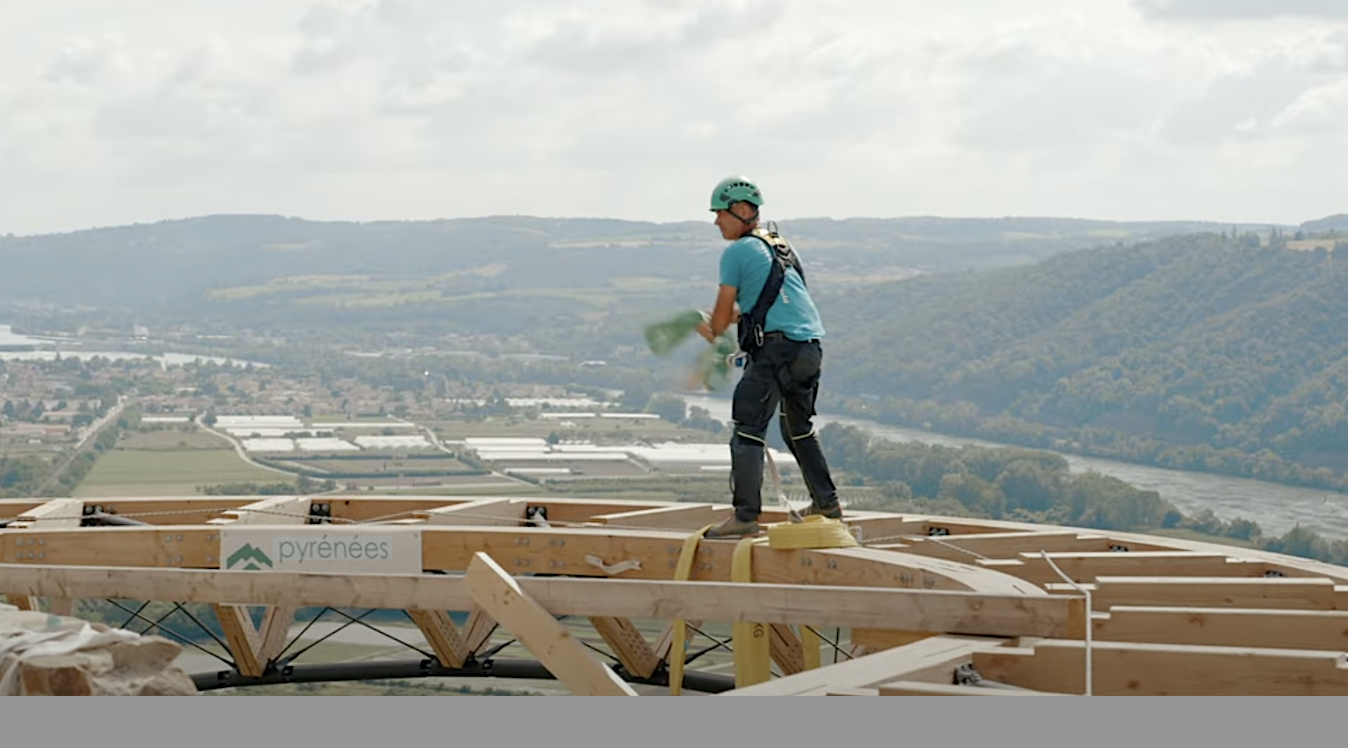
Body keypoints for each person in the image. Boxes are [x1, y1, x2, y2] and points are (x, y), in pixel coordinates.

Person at [696, 175, 843, 538]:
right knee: (798, 429)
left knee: (747, 431)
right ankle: (828, 505)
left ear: (742, 210)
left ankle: (745, 518)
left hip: (776, 351)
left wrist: (707, 328)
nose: (716, 222)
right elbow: (757, 307)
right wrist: (720, 323)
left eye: (721, 214)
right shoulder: (781, 247)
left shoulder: (737, 252)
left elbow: (720, 319)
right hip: (808, 348)